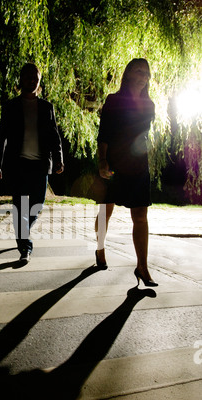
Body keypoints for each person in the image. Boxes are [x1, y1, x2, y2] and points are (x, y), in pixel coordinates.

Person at [95, 58, 158, 287]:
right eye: (139, 71)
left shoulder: (149, 105)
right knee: (106, 211)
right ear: (129, 73)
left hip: (139, 166)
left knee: (140, 217)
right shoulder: (113, 100)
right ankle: (100, 249)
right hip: (113, 164)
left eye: (146, 73)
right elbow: (104, 134)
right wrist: (102, 161)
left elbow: (143, 137)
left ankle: (142, 267)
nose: (143, 76)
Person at [0, 63, 64, 262]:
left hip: (40, 166)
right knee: (20, 207)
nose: (32, 81)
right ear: (21, 79)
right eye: (28, 77)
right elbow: (2, 137)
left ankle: (21, 232)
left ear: (39, 81)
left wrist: (59, 159)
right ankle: (25, 248)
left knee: (37, 206)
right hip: (18, 165)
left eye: (36, 78)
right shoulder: (10, 107)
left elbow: (54, 136)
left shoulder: (47, 107)